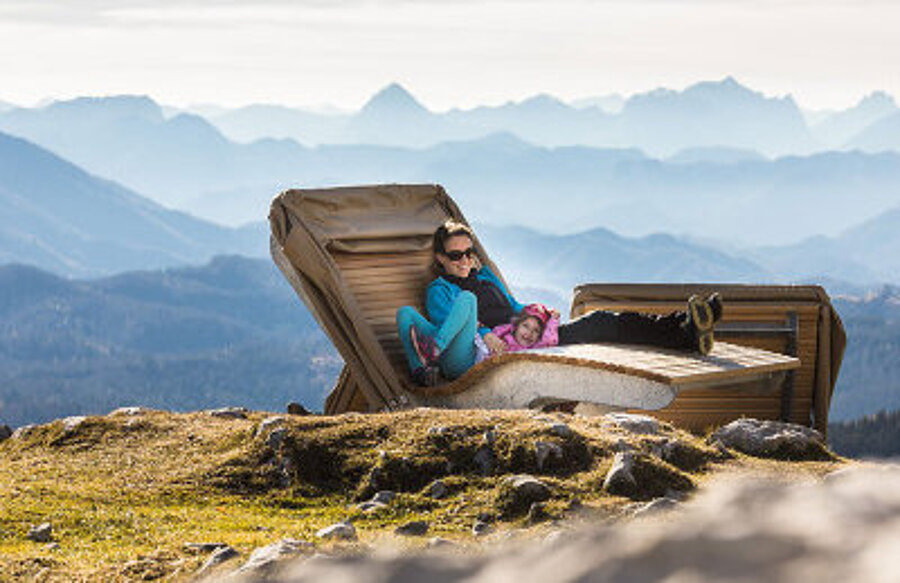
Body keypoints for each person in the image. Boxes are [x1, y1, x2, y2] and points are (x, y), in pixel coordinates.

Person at [396, 219, 722, 387]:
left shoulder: (485, 278)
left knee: (600, 321)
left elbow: (513, 305)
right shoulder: (441, 290)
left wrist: (537, 315)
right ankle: (685, 330)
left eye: (469, 253)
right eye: (456, 255)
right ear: (440, 257)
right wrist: (485, 333)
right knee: (467, 299)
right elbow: (451, 323)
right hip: (478, 351)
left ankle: (684, 329)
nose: (465, 261)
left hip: (523, 336)